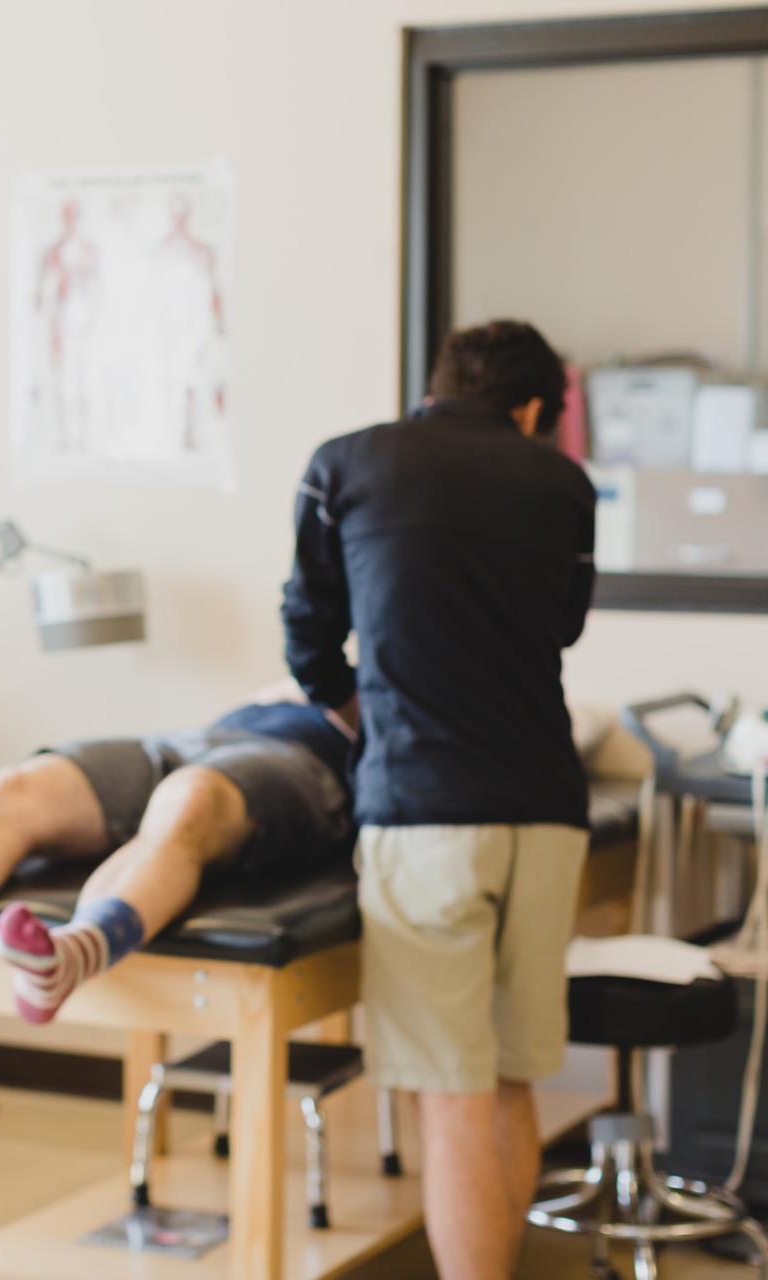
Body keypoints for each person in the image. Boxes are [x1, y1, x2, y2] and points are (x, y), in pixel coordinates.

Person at [282, 319, 596, 1280]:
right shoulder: (564, 484)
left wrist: (366, 722)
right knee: (507, 1079)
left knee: (450, 1095)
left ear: (438, 384)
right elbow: (566, 627)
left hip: (424, 818)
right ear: (536, 408)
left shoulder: (345, 466)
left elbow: (306, 638)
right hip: (547, 814)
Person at [0, 686, 355, 1023]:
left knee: (190, 800)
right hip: (190, 739)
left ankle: (67, 961)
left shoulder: (396, 687)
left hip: (303, 761)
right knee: (15, 789)